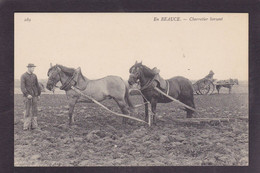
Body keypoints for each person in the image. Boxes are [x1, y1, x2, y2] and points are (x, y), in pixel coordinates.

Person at [20, 63, 41, 130]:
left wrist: (38, 95)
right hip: (27, 97)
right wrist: (27, 94)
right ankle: (26, 126)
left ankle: (34, 126)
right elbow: (22, 87)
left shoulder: (34, 76)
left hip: (34, 96)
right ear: (28, 68)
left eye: (34, 68)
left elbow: (37, 86)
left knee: (35, 110)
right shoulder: (23, 76)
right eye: (32, 68)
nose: (33, 69)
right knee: (27, 110)